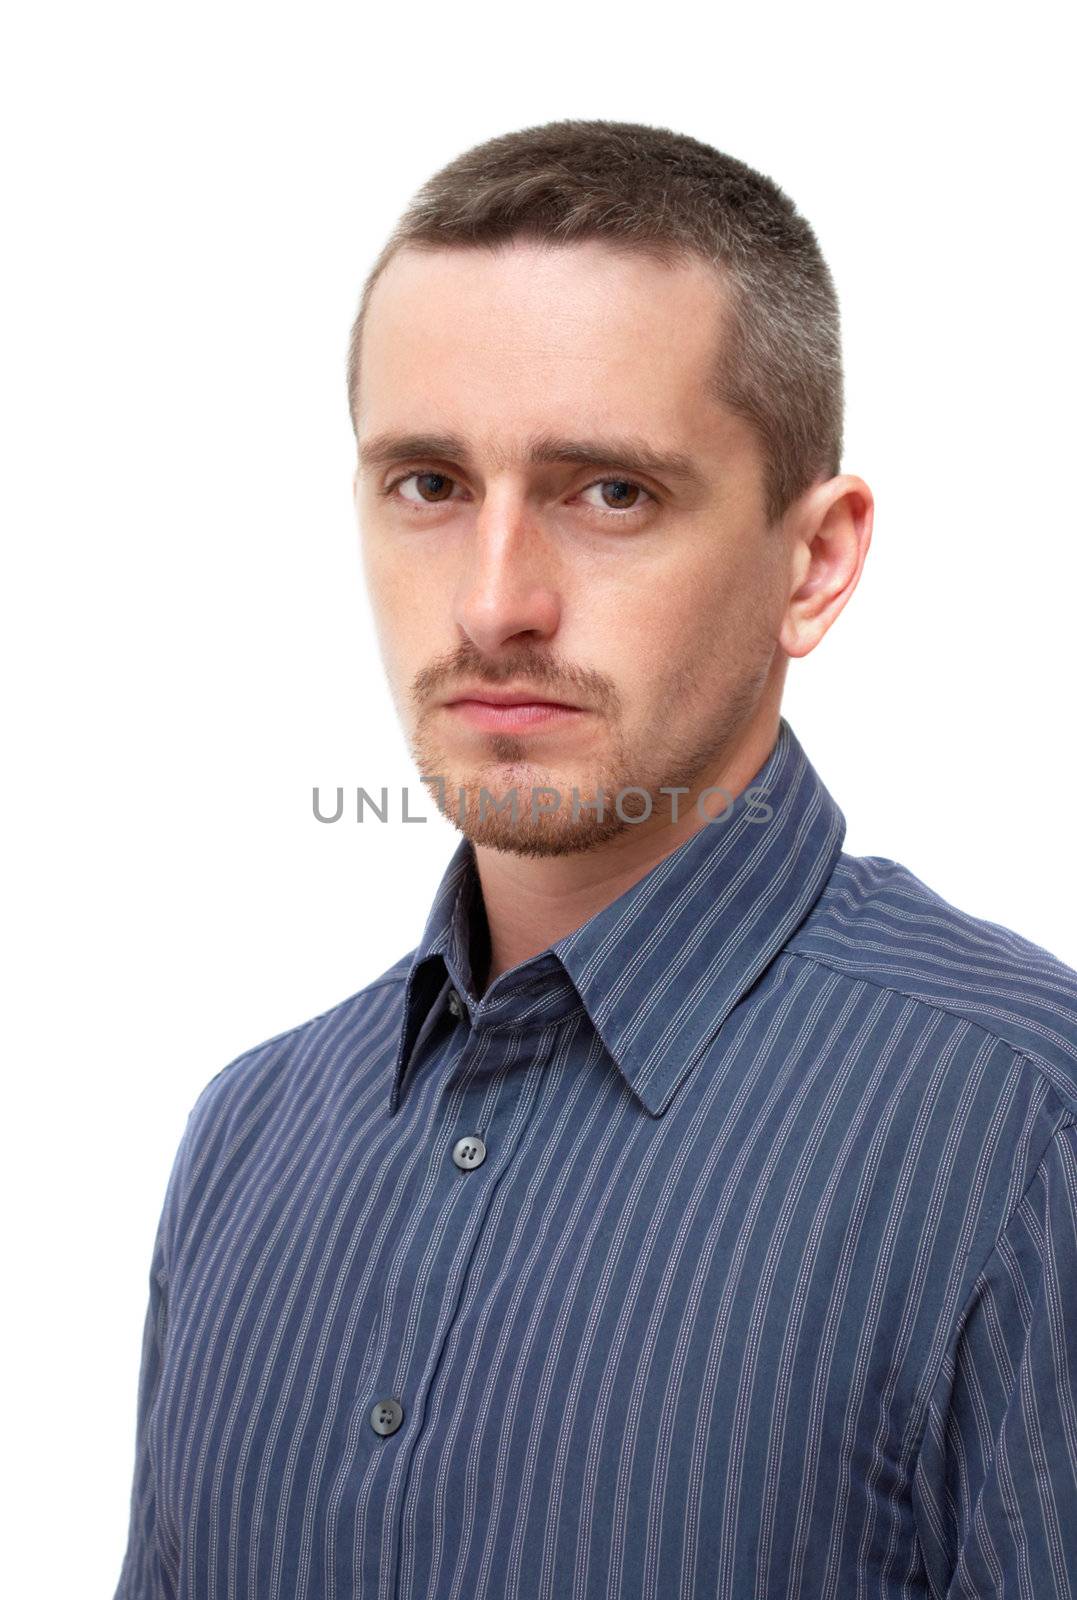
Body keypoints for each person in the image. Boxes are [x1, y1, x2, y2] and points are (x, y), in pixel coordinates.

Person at [115, 119, 1077, 1599]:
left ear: (813, 563)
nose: (495, 602)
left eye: (607, 492)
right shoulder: (245, 1142)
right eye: (428, 484)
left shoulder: (1020, 1127)